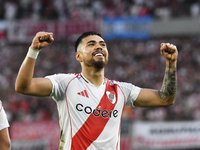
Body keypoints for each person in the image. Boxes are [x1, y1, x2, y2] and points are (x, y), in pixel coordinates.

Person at [15, 31, 178, 150]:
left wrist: (171, 64)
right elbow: (23, 86)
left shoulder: (122, 90)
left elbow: (165, 99)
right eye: (91, 44)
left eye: (102, 45)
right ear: (78, 56)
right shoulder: (65, 83)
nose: (99, 47)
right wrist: (33, 51)